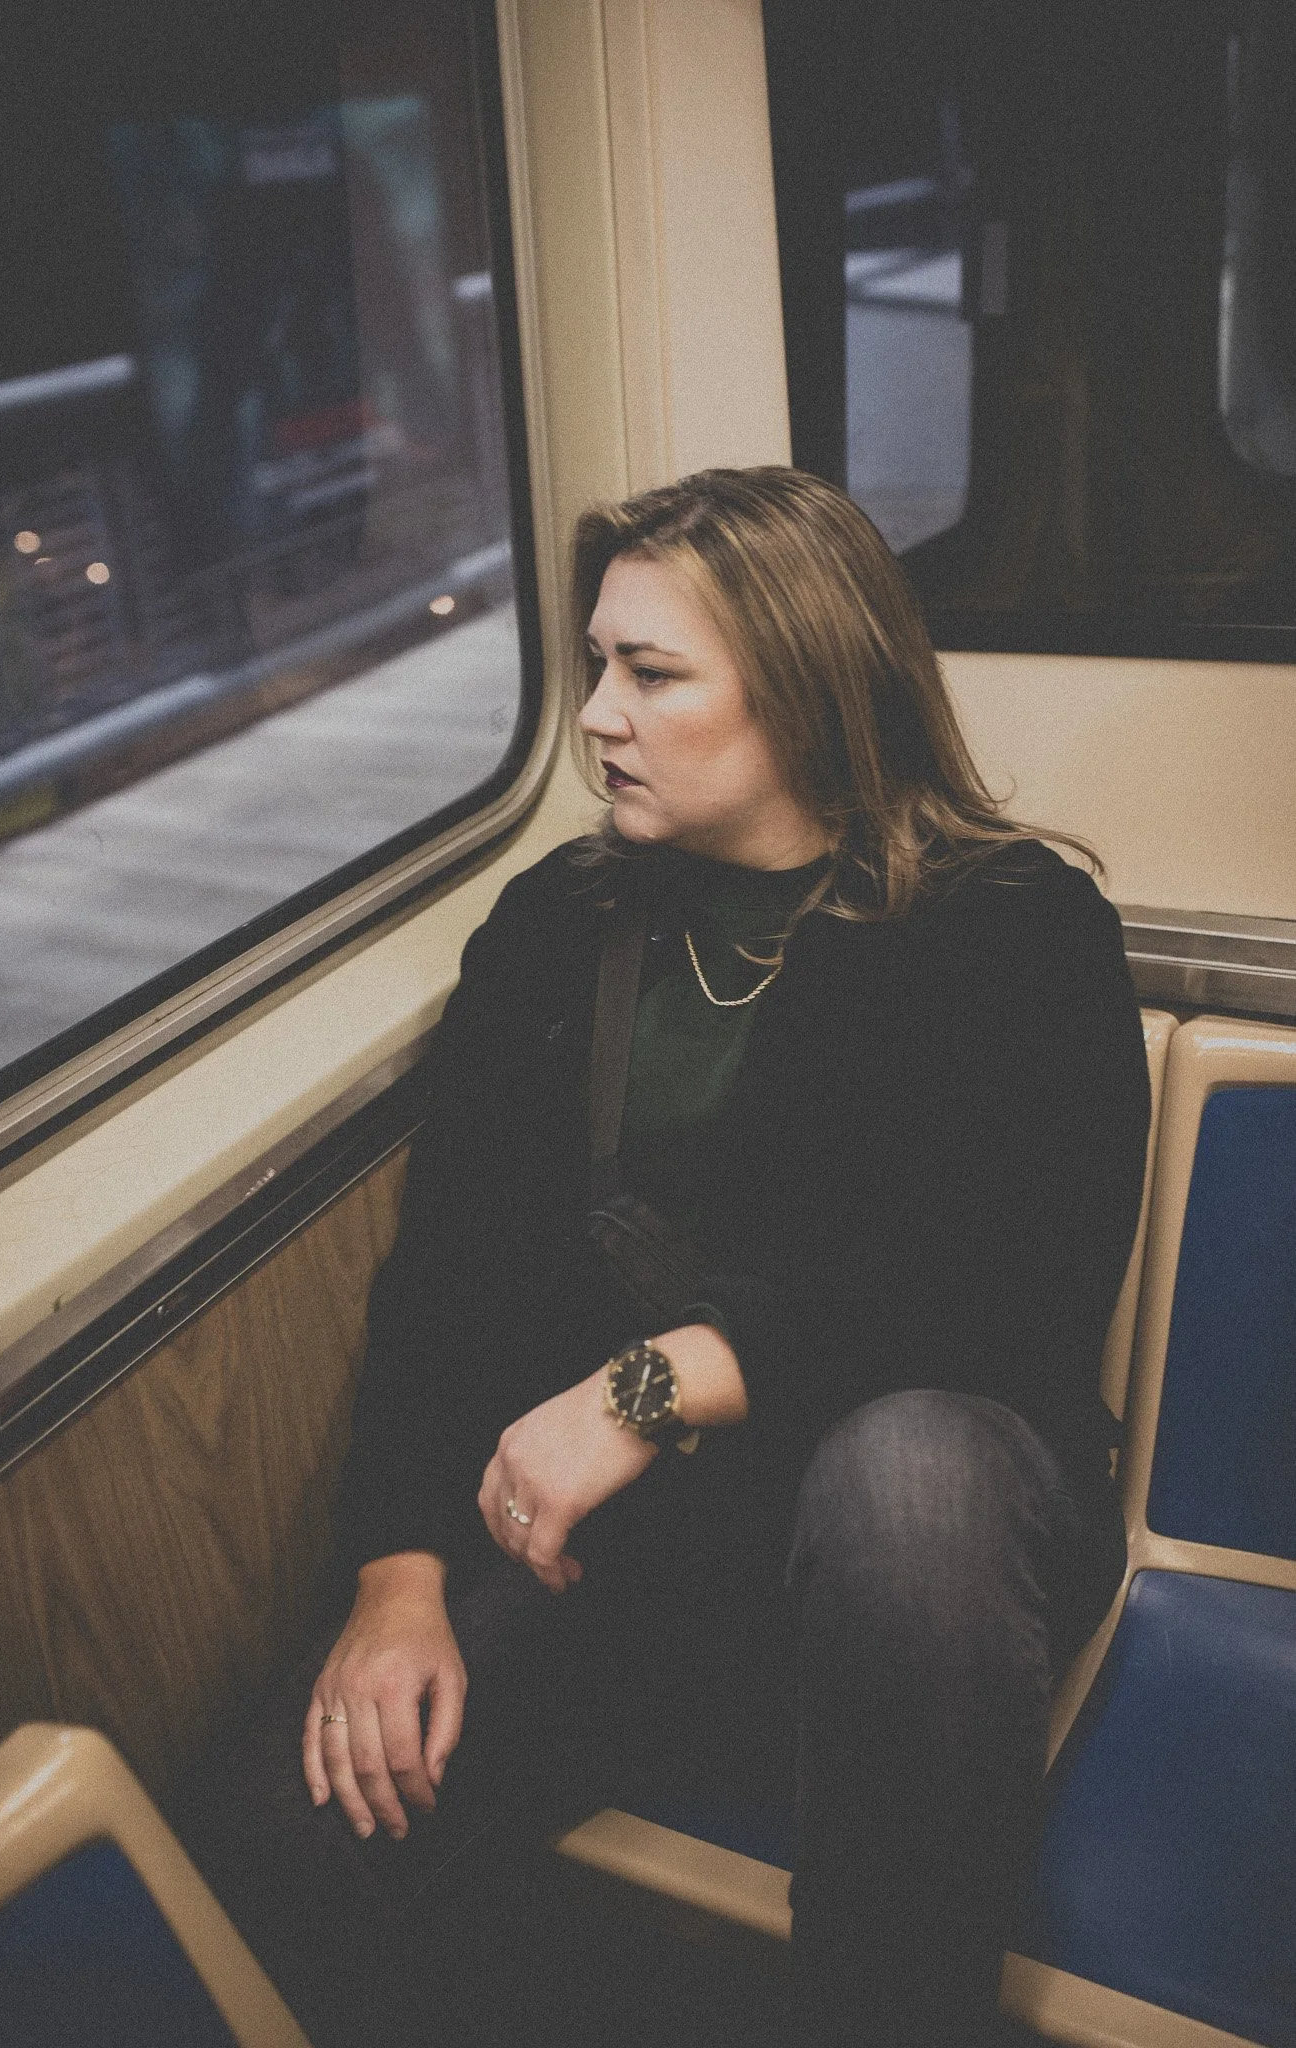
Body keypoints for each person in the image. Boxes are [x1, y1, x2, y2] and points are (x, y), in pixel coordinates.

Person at [178, 467, 1150, 2048]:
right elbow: (450, 1278)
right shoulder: (560, 928)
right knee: (288, 1829)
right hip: (647, 1555)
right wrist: (400, 1568)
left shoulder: (1011, 927)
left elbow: (988, 1284)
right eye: (595, 668)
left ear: (809, 685)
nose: (599, 718)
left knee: (902, 1476)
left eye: (652, 673)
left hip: (945, 1529)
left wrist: (646, 1390)